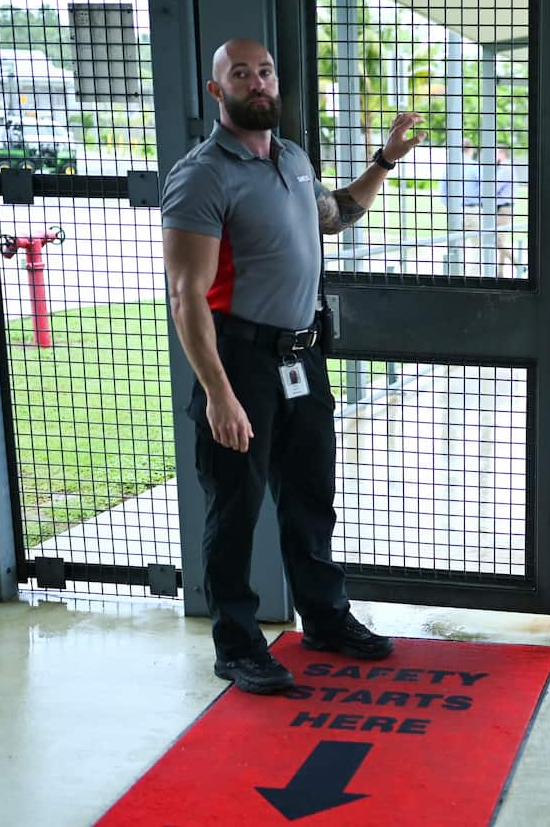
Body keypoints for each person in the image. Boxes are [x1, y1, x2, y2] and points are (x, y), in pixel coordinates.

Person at [160, 38, 425, 695]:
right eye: (241, 74)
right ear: (217, 91)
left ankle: (327, 620)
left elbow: (333, 217)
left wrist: (384, 162)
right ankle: (238, 645)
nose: (258, 82)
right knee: (237, 506)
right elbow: (185, 293)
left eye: (266, 72)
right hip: (240, 362)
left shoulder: (294, 159)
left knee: (310, 497)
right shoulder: (202, 175)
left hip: (302, 359)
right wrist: (219, 395)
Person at [493, 146, 523, 277]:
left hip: (503, 208)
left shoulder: (505, 168)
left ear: (502, 154)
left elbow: (494, 187)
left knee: (497, 241)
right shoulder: (506, 168)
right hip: (505, 207)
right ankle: (500, 273)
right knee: (501, 241)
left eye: (495, 153)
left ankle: (518, 265)